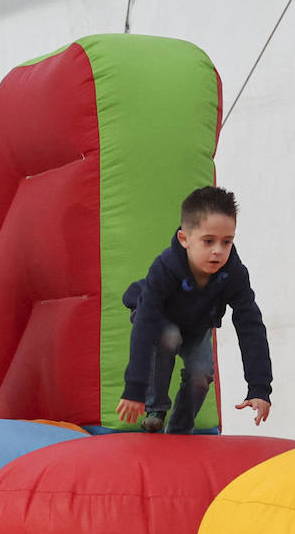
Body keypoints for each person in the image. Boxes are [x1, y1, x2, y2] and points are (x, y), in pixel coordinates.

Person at [115, 186, 272, 434]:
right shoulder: (165, 267)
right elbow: (145, 324)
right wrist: (134, 389)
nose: (218, 251)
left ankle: (178, 431)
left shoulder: (234, 273)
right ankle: (156, 409)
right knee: (169, 338)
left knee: (201, 376)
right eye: (208, 241)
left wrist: (259, 387)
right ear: (184, 239)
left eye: (227, 241)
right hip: (159, 318)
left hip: (196, 326)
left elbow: (250, 324)